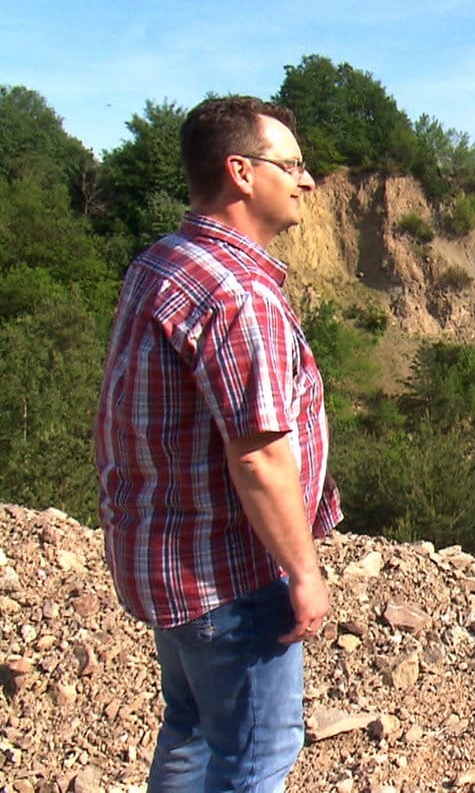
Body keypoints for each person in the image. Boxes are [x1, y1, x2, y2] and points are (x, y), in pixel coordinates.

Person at [94, 95, 341, 791]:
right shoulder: (237, 293)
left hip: (167, 557)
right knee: (256, 758)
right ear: (240, 171)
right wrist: (304, 571)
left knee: (193, 731)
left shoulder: (165, 261)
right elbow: (260, 456)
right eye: (291, 164)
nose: (307, 180)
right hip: (231, 572)